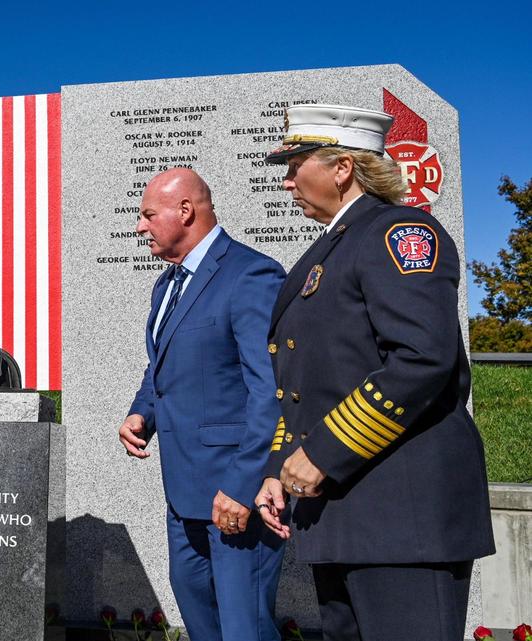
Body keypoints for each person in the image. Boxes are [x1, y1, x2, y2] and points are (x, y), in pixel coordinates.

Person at [253, 104, 494, 641]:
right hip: (342, 513)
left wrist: (320, 453)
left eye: (295, 163)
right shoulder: (332, 249)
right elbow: (303, 386)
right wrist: (278, 467)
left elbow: (421, 359)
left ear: (342, 168)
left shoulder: (398, 233)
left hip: (401, 515)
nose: (286, 179)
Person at [119, 168, 286, 641]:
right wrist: (142, 412)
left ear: (185, 211)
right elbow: (163, 365)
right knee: (201, 620)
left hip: (236, 495)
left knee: (244, 630)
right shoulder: (167, 284)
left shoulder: (251, 274)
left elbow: (270, 389)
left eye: (149, 215)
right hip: (183, 494)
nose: (140, 226)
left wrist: (242, 482)